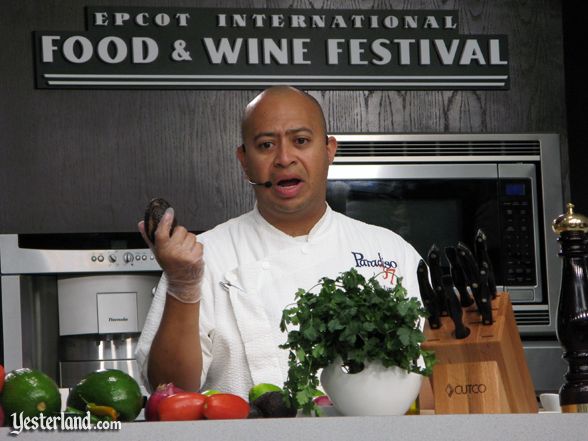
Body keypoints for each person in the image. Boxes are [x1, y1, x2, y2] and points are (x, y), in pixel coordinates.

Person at [136, 86, 424, 397]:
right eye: (266, 145)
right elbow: (168, 390)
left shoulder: (391, 252)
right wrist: (183, 286)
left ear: (329, 150)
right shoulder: (202, 258)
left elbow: (427, 380)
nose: (284, 159)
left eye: (301, 141)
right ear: (244, 161)